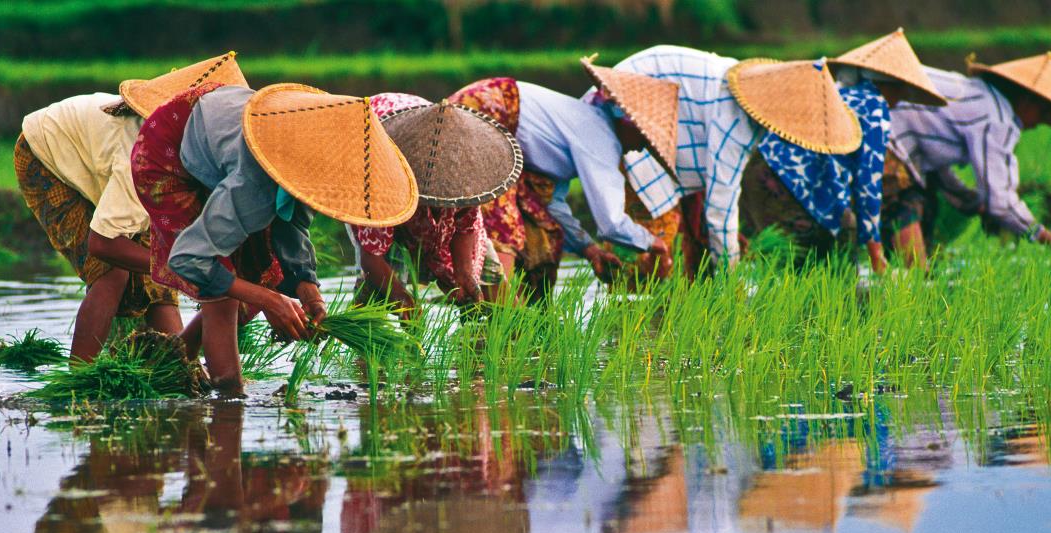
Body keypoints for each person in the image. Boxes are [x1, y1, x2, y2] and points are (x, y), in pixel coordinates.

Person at [131, 81, 417, 392]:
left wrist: (308, 291)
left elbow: (291, 223)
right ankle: (229, 393)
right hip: (167, 148)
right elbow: (189, 259)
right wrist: (270, 299)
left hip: (223, 130)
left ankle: (171, 361)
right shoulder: (251, 187)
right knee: (222, 292)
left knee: (254, 269)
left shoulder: (303, 168)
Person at [14, 55, 247, 361]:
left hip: (98, 157)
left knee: (160, 280)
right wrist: (185, 272)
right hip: (46, 153)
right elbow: (102, 244)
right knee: (113, 272)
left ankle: (176, 369)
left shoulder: (189, 157)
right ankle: (80, 382)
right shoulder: (141, 159)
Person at [606, 46, 861, 278]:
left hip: (660, 123)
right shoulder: (736, 122)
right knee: (653, 250)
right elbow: (720, 207)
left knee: (691, 248)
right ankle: (632, 317)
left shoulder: (751, 102)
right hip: (630, 116)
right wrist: (732, 282)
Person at [448, 57, 678, 302]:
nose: (641, 148)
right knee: (504, 224)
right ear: (628, 123)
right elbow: (611, 223)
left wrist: (591, 251)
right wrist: (655, 244)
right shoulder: (601, 137)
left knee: (546, 227)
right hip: (487, 113)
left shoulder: (582, 126)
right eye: (644, 140)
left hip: (493, 118)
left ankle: (532, 310)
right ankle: (500, 309)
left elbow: (552, 205)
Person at [739, 29, 947, 273]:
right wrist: (876, 253)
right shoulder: (874, 106)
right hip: (790, 187)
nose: (901, 99)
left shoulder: (836, 92)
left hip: (758, 173)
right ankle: (839, 304)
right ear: (890, 85)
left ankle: (788, 303)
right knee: (839, 250)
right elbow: (868, 186)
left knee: (782, 263)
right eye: (902, 90)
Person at [885, 51, 1051, 262]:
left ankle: (910, 274)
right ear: (1028, 101)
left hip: (882, 127)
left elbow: (939, 173)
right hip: (886, 133)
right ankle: (915, 278)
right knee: (905, 199)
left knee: (923, 194)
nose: (1037, 124)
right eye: (1042, 114)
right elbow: (1000, 202)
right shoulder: (998, 118)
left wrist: (973, 203)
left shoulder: (979, 96)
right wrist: (1042, 235)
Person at [348, 93, 522, 315]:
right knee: (378, 295)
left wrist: (464, 272)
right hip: (378, 155)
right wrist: (401, 298)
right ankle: (369, 338)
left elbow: (466, 225)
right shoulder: (378, 184)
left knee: (488, 286)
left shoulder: (464, 173)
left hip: (419, 137)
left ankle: (502, 335)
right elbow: (371, 256)